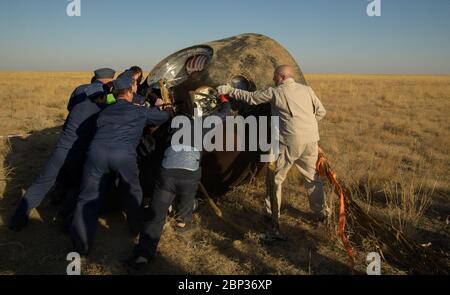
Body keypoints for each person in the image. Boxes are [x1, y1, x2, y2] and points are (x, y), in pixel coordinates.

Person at [217, 65, 328, 232]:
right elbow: (321, 112)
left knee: (275, 179)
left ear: (282, 77)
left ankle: (272, 216)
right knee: (312, 178)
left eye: (275, 76)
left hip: (289, 142)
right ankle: (322, 213)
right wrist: (307, 127)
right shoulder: (307, 90)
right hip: (311, 140)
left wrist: (229, 90)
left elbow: (252, 98)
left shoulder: (276, 92)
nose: (273, 79)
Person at [129, 88, 231, 269]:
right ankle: (184, 225)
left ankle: (143, 255)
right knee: (186, 203)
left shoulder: (172, 122)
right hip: (189, 176)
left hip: (166, 174)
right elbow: (224, 113)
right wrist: (224, 99)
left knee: (156, 215)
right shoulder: (205, 123)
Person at [70, 75, 173, 255]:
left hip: (96, 154)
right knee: (132, 191)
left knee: (87, 198)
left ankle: (80, 246)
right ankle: (135, 228)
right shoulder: (138, 111)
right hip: (123, 155)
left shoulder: (104, 111)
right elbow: (162, 117)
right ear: (128, 92)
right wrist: (166, 108)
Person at [8, 83, 111, 231]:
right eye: (103, 97)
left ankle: (18, 219)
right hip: (75, 155)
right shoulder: (98, 111)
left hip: (59, 151)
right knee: (81, 187)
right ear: (99, 98)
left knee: (41, 184)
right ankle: (65, 218)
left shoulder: (77, 108)